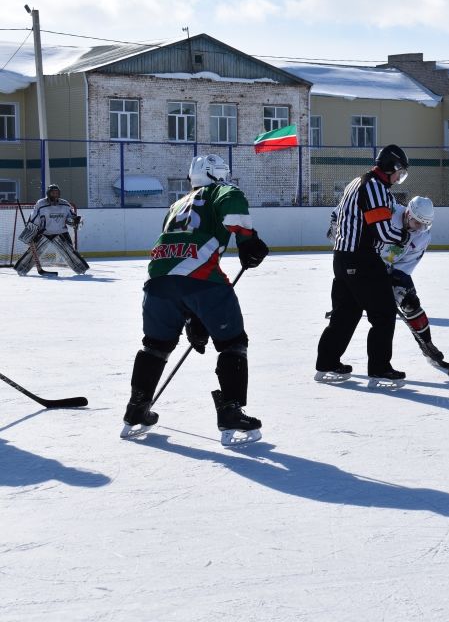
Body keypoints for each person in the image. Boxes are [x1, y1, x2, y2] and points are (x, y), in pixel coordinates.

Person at [120, 154, 270, 446]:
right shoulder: (222, 191)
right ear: (217, 175)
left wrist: (193, 316)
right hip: (201, 278)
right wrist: (247, 240)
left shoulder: (177, 204)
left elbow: (177, 251)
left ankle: (136, 407)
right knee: (232, 343)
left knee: (155, 346)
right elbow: (234, 202)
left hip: (158, 280)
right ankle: (230, 411)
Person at [315, 144, 410, 387]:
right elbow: (382, 230)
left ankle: (327, 362)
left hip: (342, 258)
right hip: (362, 260)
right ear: (390, 167)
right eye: (399, 172)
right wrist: (403, 237)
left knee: (345, 314)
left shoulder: (356, 182)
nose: (399, 178)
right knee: (384, 313)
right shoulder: (375, 187)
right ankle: (379, 368)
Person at [378, 196, 449, 363]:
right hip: (367, 266)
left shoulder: (423, 236)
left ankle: (427, 345)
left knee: (411, 303)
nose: (421, 228)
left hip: (391, 268)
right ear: (408, 214)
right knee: (368, 313)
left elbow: (405, 265)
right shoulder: (390, 213)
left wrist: (394, 279)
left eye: (425, 224)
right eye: (418, 223)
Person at [15, 184, 88, 275]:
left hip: (61, 232)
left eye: (57, 193)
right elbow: (34, 218)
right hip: (44, 232)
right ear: (48, 193)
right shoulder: (41, 204)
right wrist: (30, 233)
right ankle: (21, 269)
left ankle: (81, 269)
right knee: (33, 252)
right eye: (53, 193)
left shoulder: (65, 204)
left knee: (70, 252)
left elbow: (71, 218)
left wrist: (75, 220)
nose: (55, 194)